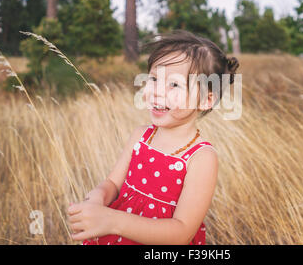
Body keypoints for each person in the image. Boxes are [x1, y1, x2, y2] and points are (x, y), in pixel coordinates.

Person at [67, 30, 240, 245]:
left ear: (205, 100)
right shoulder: (142, 136)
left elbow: (181, 232)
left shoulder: (201, 158)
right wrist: (99, 196)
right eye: (154, 79)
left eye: (174, 84)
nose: (157, 91)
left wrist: (113, 221)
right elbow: (113, 182)